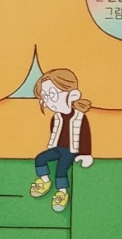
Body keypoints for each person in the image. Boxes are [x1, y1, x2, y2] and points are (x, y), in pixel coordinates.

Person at [29, 68, 93, 212]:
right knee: (40, 158)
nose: (48, 101)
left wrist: (86, 154)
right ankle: (45, 181)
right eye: (45, 97)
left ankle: (62, 193)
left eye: (52, 94)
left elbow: (85, 136)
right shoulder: (56, 117)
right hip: (58, 148)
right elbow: (54, 132)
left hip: (72, 150)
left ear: (73, 95)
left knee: (61, 169)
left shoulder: (80, 117)